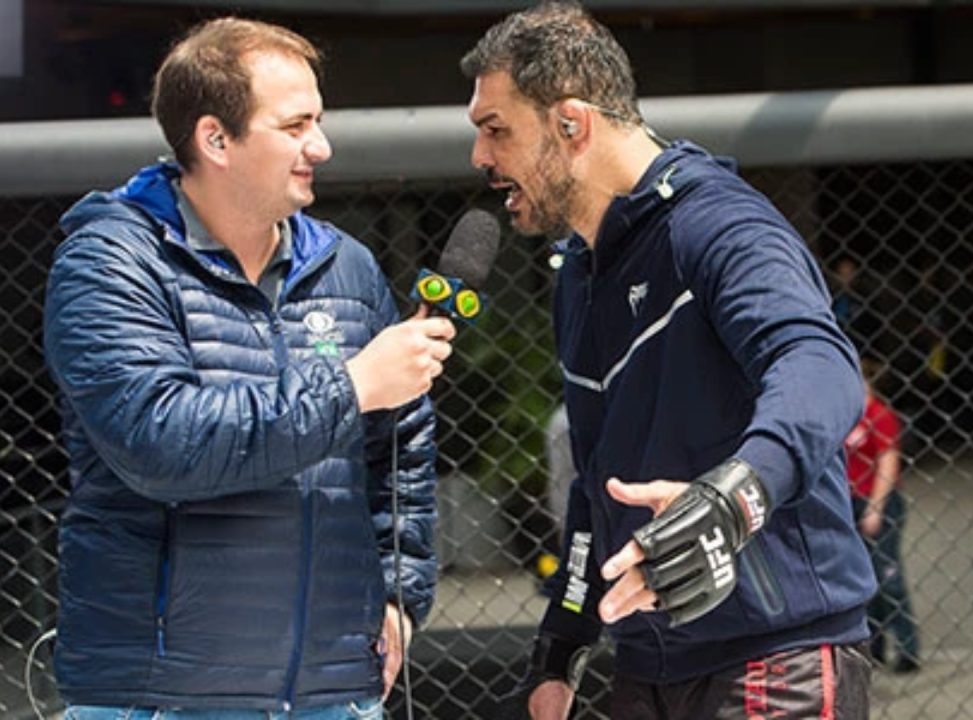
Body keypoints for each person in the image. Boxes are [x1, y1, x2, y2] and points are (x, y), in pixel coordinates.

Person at [461, 3, 878, 717]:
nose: (480, 158)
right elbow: (597, 483)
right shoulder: (580, 271)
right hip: (649, 662)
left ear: (572, 123)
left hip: (774, 654)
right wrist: (560, 648)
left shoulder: (717, 224)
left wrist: (733, 498)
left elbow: (819, 365)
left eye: (496, 130)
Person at [42, 17, 456, 718]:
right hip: (157, 700)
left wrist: (398, 596)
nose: (319, 146)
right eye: (294, 126)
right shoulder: (109, 263)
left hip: (333, 695)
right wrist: (353, 385)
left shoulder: (347, 267)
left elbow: (401, 452)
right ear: (215, 139)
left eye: (318, 121)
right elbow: (162, 445)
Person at [844, 358, 920, 674]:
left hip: (879, 501)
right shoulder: (845, 417)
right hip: (850, 501)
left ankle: (907, 647)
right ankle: (874, 644)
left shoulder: (879, 415)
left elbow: (889, 463)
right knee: (865, 580)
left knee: (889, 578)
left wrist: (876, 506)